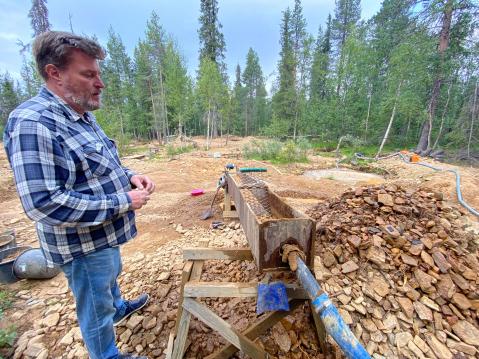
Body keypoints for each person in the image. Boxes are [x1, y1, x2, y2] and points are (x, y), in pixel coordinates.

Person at [3, 31, 154, 359]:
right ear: (54, 73)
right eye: (89, 74)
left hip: (104, 233)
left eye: (98, 73)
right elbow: (43, 203)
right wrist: (123, 201)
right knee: (94, 303)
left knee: (110, 274)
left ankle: (117, 308)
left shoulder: (81, 115)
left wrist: (131, 176)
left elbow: (102, 164)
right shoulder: (33, 123)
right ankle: (107, 353)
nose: (100, 83)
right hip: (81, 245)